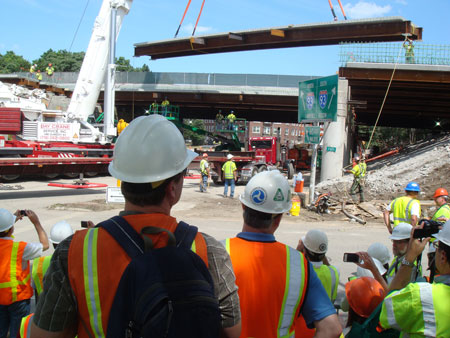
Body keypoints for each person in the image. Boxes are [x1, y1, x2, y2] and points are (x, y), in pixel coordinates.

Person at [30, 115, 241, 338]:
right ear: (172, 188)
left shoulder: (73, 251)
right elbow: (231, 332)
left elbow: (45, 334)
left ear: (122, 183)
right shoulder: (209, 250)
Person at [223, 170, 342, 337]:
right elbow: (332, 329)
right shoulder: (299, 265)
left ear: (244, 207)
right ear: (278, 218)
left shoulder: (217, 253)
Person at [379, 219, 450, 336]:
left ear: (443, 256)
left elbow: (386, 312)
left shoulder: (421, 296)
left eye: (436, 246)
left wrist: (410, 258)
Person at [0, 209, 49, 338]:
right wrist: (36, 223)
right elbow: (45, 245)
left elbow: (3, 231)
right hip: (19, 299)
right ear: (11, 229)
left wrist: (11, 220)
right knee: (18, 334)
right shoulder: (21, 248)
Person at [20, 221, 74, 338]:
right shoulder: (76, 263)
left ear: (53, 243)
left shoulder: (39, 263)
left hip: (45, 313)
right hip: (69, 317)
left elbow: (38, 295)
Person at [295, 229, 340, 337]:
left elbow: (294, 264)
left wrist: (298, 250)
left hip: (302, 327)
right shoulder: (333, 272)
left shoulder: (300, 271)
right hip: (326, 323)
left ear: (304, 251)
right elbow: (326, 264)